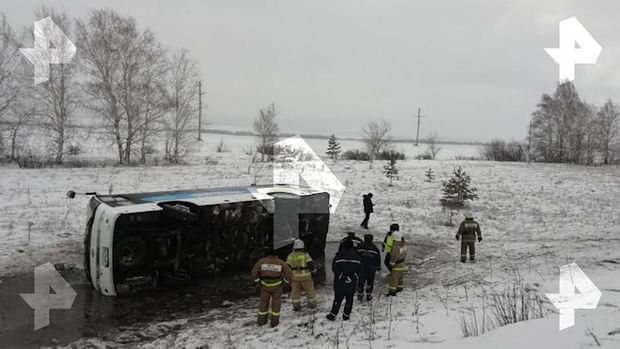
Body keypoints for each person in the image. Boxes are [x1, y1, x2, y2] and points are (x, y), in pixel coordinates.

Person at [251, 252, 293, 327]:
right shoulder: (281, 262)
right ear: (277, 254)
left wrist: (258, 282)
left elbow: (254, 273)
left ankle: (261, 321)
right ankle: (274, 322)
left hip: (264, 287)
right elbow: (289, 273)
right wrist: (285, 282)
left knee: (263, 304)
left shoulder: (261, 261)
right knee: (276, 304)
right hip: (277, 287)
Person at [327, 239, 362, 321]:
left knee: (337, 298)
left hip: (340, 283)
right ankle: (346, 315)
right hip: (352, 283)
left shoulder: (338, 257)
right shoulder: (358, 258)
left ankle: (333, 313)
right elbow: (360, 270)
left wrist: (342, 276)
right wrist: (353, 277)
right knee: (349, 299)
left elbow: (334, 269)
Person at [286, 239, 317, 311]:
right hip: (306, 276)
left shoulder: (290, 256)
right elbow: (311, 265)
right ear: (302, 247)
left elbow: (287, 267)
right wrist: (313, 272)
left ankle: (296, 305)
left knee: (295, 291)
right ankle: (312, 304)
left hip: (295, 277)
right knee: (310, 290)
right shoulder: (305, 255)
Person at [357, 234, 381, 301]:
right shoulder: (375, 248)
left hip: (361, 268)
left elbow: (357, 256)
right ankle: (368, 295)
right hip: (371, 268)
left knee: (361, 282)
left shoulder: (360, 247)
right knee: (370, 282)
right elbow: (378, 258)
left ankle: (360, 295)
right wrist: (378, 266)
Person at [386, 231, 407, 296]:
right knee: (401, 277)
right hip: (402, 264)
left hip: (397, 265)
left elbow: (394, 256)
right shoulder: (403, 244)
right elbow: (405, 253)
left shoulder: (395, 245)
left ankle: (392, 292)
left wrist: (391, 264)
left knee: (394, 278)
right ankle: (400, 287)